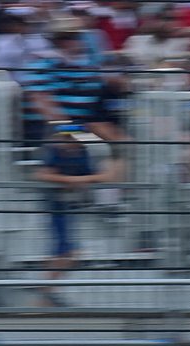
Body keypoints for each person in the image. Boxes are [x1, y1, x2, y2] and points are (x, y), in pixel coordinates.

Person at [34, 123, 123, 307]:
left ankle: (47, 292)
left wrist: (74, 181)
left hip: (70, 206)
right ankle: (45, 294)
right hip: (56, 207)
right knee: (67, 252)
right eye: (67, 138)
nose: (70, 141)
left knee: (68, 252)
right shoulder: (53, 151)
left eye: (73, 138)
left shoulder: (83, 152)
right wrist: (72, 181)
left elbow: (103, 177)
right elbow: (43, 175)